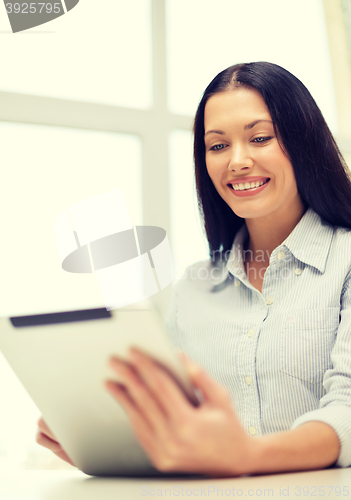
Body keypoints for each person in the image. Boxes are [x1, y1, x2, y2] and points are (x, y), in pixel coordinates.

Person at [37, 61, 351, 476]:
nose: (237, 161)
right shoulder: (194, 290)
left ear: (303, 142)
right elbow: (179, 426)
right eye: (217, 146)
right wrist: (107, 446)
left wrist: (246, 455)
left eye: (260, 138)